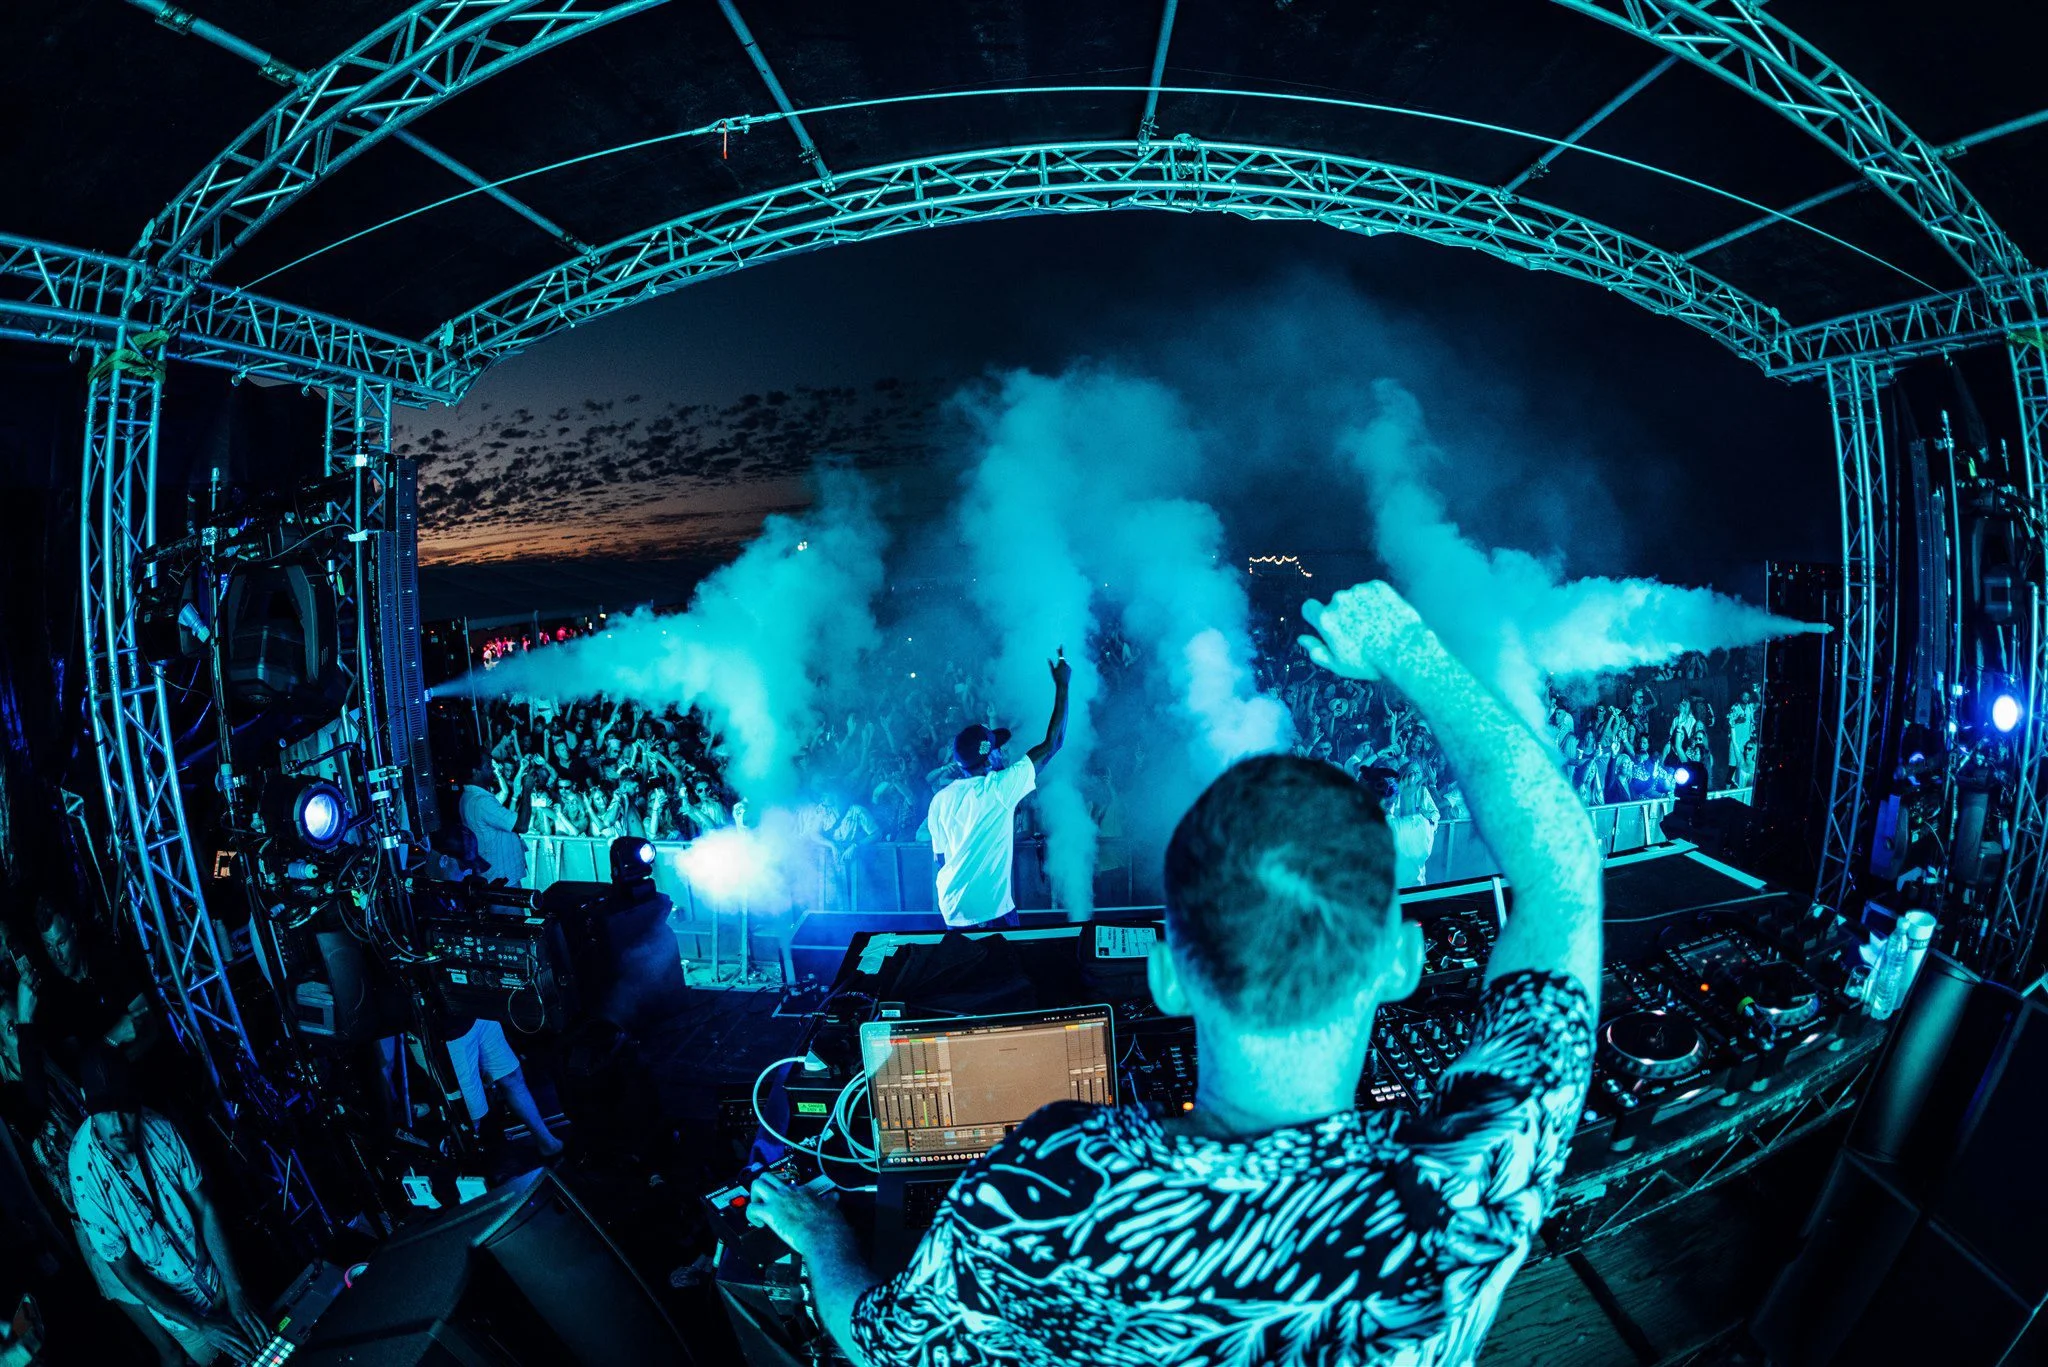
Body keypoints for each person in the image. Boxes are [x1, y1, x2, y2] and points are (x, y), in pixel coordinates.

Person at [748, 581, 1601, 1365]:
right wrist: (1411, 650)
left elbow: (877, 1341)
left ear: (1164, 976)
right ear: (1402, 963)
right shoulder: (1463, 1191)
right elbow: (1563, 875)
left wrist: (822, 1232)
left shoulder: (1035, 1188)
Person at [68, 1047, 270, 1365]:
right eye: (105, 1111)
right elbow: (127, 1271)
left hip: (219, 1277)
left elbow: (205, 1207)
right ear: (85, 1100)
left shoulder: (160, 1127)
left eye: (125, 1108)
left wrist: (235, 1290)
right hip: (184, 1317)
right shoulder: (83, 1175)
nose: (118, 1124)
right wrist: (200, 1325)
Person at [924, 651, 1071, 928]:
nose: (1000, 752)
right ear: (988, 756)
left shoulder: (939, 800)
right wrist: (1063, 685)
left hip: (952, 911)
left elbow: (940, 859)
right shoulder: (998, 790)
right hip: (991, 911)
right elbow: (1054, 743)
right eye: (996, 749)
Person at [459, 757, 535, 887]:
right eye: (488, 766)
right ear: (475, 771)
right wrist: (527, 790)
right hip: (501, 876)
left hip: (497, 874)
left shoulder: (470, 796)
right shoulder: (481, 802)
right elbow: (521, 826)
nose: (493, 769)